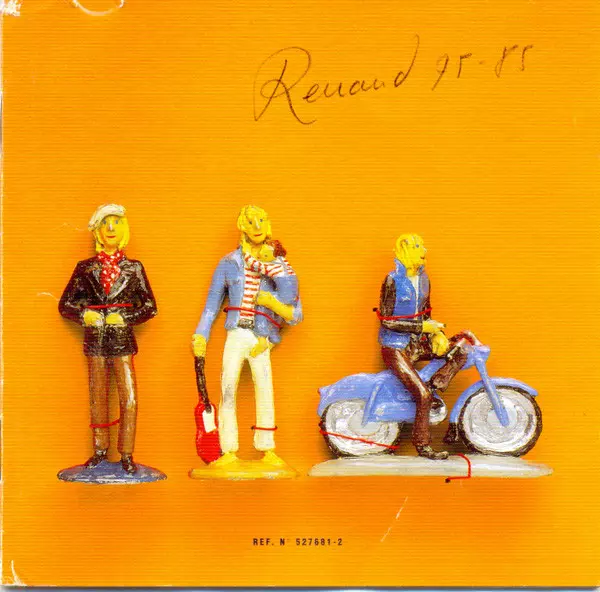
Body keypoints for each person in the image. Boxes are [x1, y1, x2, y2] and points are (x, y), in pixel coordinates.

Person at [192, 205, 302, 469]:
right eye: (251, 221)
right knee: (227, 387)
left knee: (264, 387)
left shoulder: (278, 265)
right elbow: (211, 306)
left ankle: (267, 447)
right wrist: (201, 334)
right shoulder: (229, 263)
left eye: (261, 220)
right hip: (236, 332)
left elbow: (295, 313)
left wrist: (272, 306)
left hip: (262, 336)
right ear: (242, 226)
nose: (257, 226)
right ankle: (228, 449)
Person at [59, 204, 158, 474]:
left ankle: (126, 453)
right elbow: (65, 304)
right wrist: (85, 315)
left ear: (123, 229)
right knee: (98, 396)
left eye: (116, 223)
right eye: (105, 224)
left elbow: (150, 307)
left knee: (129, 397)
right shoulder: (85, 268)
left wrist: (125, 317)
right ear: (98, 232)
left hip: (122, 341)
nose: (111, 229)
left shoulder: (134, 268)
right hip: (96, 342)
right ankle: (100, 450)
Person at [378, 233, 467, 460]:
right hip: (395, 347)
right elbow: (386, 321)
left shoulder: (424, 279)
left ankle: (436, 383)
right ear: (404, 250)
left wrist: (436, 334)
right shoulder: (392, 280)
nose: (424, 251)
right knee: (423, 396)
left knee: (461, 350)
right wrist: (422, 327)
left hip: (417, 344)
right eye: (418, 246)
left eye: (422, 246)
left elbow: (427, 313)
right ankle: (423, 445)